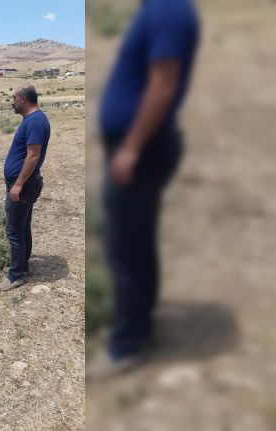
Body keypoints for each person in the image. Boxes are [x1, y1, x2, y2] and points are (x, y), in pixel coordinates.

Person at [88, 0, 200, 379]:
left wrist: (132, 148)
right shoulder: (158, 8)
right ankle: (140, 321)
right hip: (139, 145)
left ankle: (128, 344)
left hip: (141, 148)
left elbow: (164, 82)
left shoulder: (168, 8)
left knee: (126, 246)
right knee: (135, 241)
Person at [0, 85, 50, 292]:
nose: (12, 102)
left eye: (14, 98)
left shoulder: (34, 121)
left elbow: (33, 156)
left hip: (23, 185)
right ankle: (22, 267)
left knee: (14, 231)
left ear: (24, 100)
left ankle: (15, 275)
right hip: (25, 183)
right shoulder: (33, 119)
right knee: (23, 227)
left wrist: (18, 184)